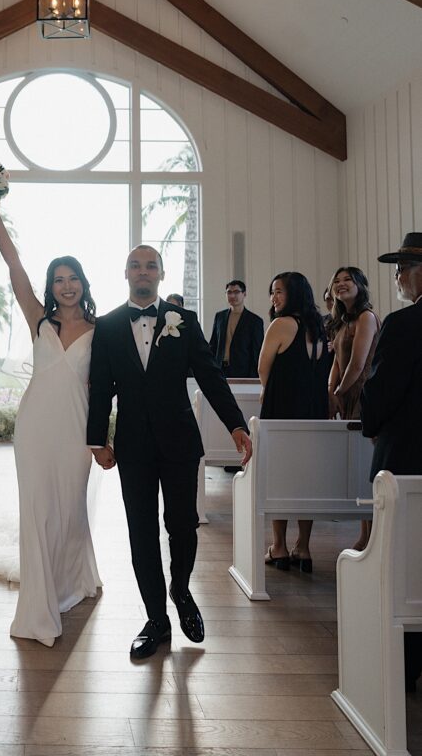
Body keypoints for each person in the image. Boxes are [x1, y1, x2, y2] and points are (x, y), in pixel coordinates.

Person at [0, 197, 101, 647]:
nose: (66, 286)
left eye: (73, 279)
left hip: (76, 431)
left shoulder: (100, 329)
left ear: (83, 284)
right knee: (37, 512)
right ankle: (37, 606)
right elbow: (14, 267)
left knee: (69, 509)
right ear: (51, 287)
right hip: (34, 427)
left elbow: (105, 386)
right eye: (59, 280)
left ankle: (72, 579)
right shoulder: (39, 320)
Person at [88, 245, 251, 658]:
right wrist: (96, 440)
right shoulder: (106, 327)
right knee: (141, 532)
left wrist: (236, 425)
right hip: (132, 446)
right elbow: (101, 387)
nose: (143, 272)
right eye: (136, 265)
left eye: (151, 266)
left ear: (160, 274)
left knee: (182, 525)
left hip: (180, 440)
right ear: (125, 272)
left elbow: (212, 378)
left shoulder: (186, 322)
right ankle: (156, 620)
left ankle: (181, 588)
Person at [361, 233, 422, 692]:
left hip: (407, 458)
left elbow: (380, 391)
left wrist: (372, 423)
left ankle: (402, 666)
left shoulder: (403, 325)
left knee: (405, 564)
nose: (397, 275)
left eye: (402, 266)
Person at [258, 271, 331, 573]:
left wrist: (269, 393)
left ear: (295, 294)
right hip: (313, 411)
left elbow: (263, 369)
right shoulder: (319, 327)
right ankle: (303, 546)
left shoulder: (281, 324)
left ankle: (278, 546)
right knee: (306, 479)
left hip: (282, 411)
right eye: (272, 292)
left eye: (279, 292)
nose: (274, 298)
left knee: (280, 477)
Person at [327, 266, 380, 550]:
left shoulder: (366, 318)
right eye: (337, 281)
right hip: (343, 394)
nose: (341, 284)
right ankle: (363, 532)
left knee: (365, 464)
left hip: (362, 396)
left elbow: (359, 365)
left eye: (347, 280)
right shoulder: (341, 322)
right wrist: (330, 391)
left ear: (360, 284)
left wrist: (339, 391)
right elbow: (337, 363)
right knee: (354, 465)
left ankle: (369, 535)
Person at [209, 280, 264, 378]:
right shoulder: (219, 317)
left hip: (243, 372)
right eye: (229, 292)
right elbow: (213, 344)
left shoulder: (255, 321)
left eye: (236, 292)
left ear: (244, 294)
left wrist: (253, 377)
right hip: (220, 370)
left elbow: (257, 352)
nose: (232, 296)